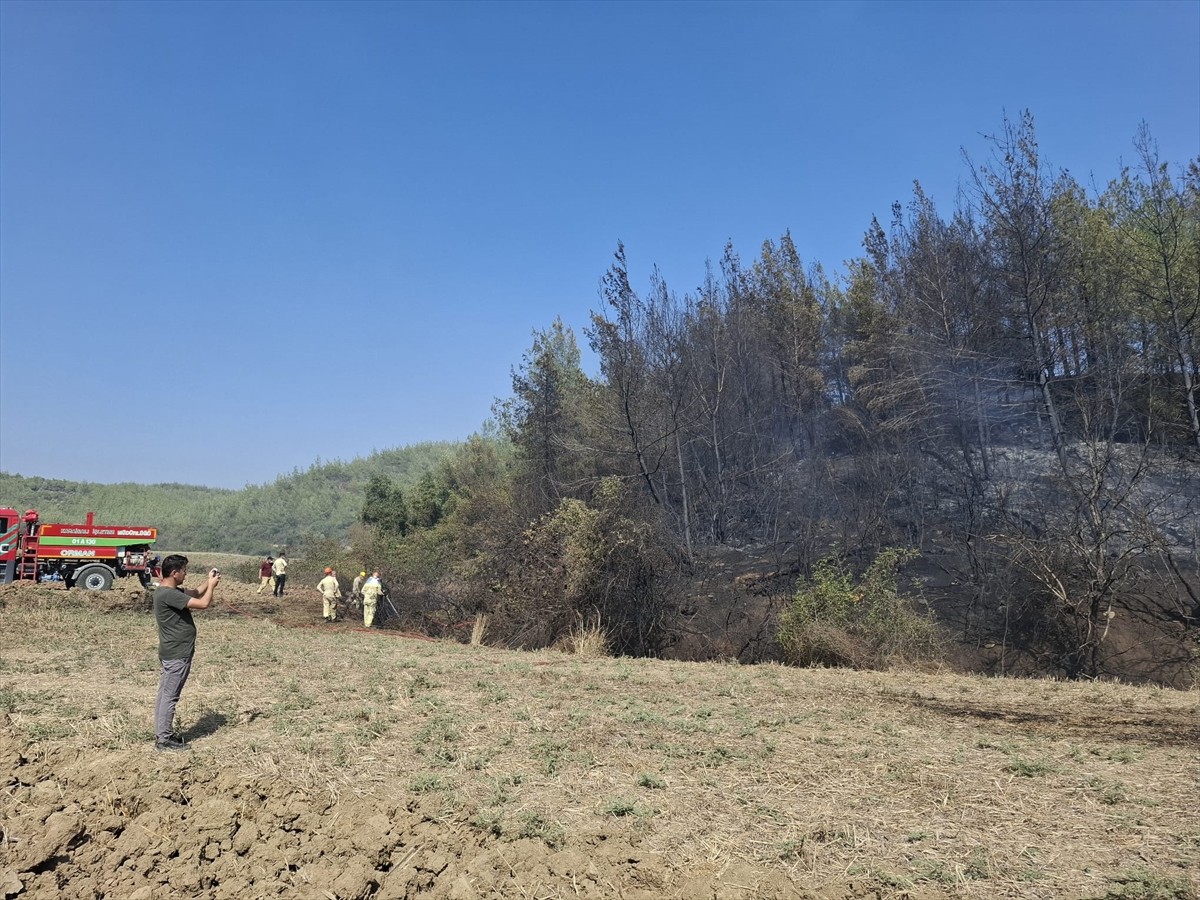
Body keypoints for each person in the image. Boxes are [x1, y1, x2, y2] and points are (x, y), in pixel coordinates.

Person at [152, 554, 220, 751]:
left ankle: (163, 734)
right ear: (174, 573)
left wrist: (208, 581)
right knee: (169, 697)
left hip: (171, 651)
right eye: (184, 571)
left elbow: (196, 592)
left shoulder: (168, 591)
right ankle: (164, 740)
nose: (185, 574)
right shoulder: (169, 595)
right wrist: (213, 587)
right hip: (177, 653)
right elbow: (204, 603)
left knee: (164, 695)